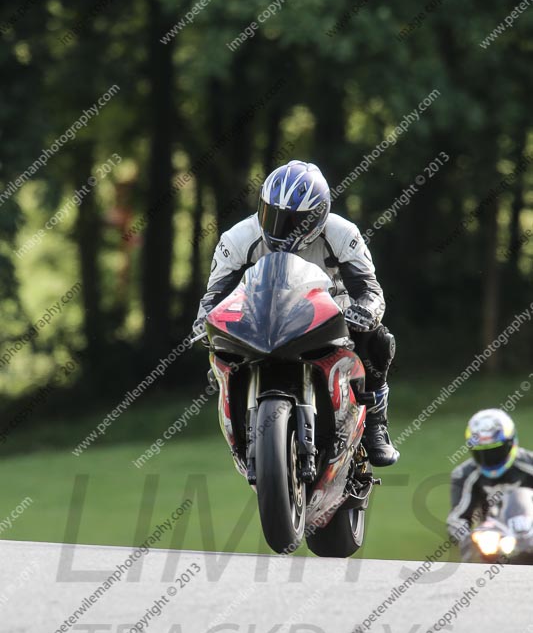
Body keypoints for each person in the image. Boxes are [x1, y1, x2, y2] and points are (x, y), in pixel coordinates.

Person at [193, 159, 399, 467]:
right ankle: (238, 424)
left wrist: (365, 312)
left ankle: (375, 424)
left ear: (318, 216)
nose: (278, 228)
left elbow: (370, 291)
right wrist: (203, 324)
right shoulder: (237, 239)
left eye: (291, 221)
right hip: (259, 322)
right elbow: (213, 298)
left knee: (380, 341)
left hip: (330, 320)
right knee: (218, 354)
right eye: (271, 215)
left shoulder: (343, 233)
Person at [447, 408, 533, 559]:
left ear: (511, 442)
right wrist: (469, 538)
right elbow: (457, 518)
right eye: (482, 452)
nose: (489, 458)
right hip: (496, 543)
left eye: (495, 450)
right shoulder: (464, 475)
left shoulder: (529, 465)